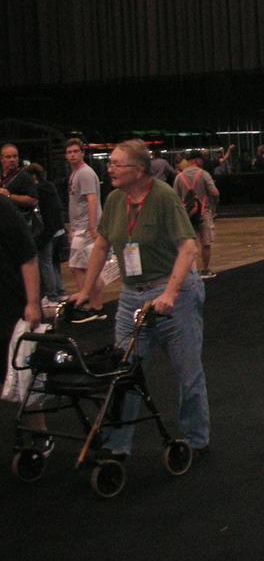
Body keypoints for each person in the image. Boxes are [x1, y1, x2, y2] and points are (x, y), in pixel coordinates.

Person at [70, 139, 210, 460]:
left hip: (174, 294)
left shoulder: (164, 197)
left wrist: (170, 294)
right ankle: (117, 443)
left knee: (188, 372)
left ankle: (196, 438)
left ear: (139, 170)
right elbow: (102, 245)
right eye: (111, 163)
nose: (110, 169)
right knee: (123, 373)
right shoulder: (115, 200)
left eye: (117, 164)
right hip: (132, 296)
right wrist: (87, 290)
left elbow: (188, 248)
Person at [0, 195, 48, 449]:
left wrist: (32, 303)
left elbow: (28, 256)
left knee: (23, 377)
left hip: (11, 306)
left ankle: (40, 435)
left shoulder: (3, 208)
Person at [64, 138, 103, 314]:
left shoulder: (85, 173)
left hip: (86, 228)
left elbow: (92, 200)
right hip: (81, 226)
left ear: (82, 153)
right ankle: (92, 302)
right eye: (69, 152)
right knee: (82, 267)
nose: (72, 155)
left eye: (75, 151)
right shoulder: (76, 173)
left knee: (84, 267)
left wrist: (92, 227)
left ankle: (92, 302)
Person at [174, 151, 220, 279]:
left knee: (188, 244)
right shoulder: (204, 174)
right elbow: (215, 192)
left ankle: (191, 271)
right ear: (196, 160)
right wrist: (213, 205)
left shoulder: (179, 177)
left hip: (186, 215)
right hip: (203, 212)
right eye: (201, 159)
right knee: (206, 243)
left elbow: (175, 198)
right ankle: (205, 269)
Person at [25, 164, 65, 302]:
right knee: (54, 262)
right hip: (58, 229)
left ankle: (52, 295)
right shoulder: (50, 187)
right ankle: (60, 290)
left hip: (47, 232)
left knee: (45, 263)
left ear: (33, 176)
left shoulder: (37, 191)